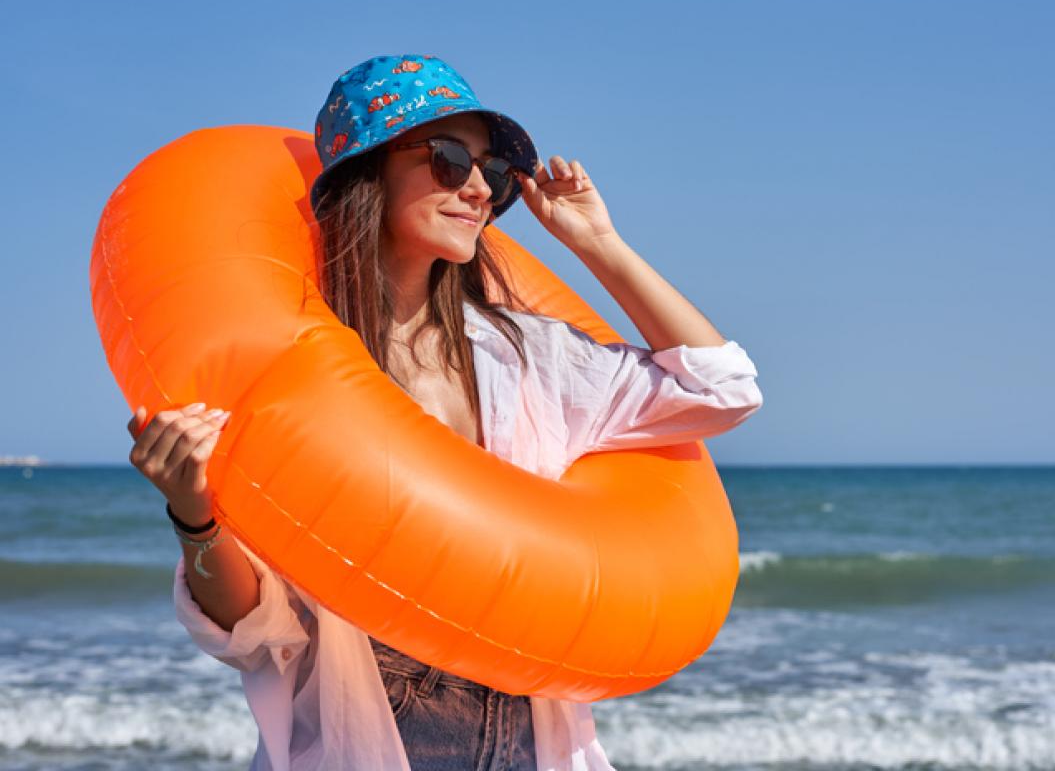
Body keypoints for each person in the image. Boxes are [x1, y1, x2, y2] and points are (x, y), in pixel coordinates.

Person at [126, 55, 764, 771]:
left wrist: (597, 243)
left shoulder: (526, 358)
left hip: (526, 742)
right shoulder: (285, 371)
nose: (477, 189)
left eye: (491, 173)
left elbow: (723, 387)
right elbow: (253, 632)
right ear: (369, 171)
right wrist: (194, 516)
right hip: (365, 740)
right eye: (449, 158)